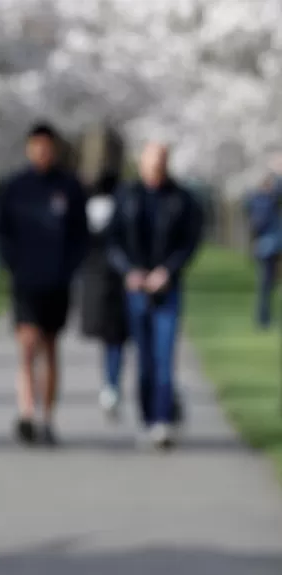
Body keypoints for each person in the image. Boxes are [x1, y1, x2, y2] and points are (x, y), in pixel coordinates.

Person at [0, 122, 89, 446]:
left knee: (49, 348)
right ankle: (26, 413)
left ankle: (47, 417)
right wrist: (12, 265)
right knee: (27, 345)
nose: (42, 152)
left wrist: (68, 269)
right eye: (36, 146)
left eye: (47, 146)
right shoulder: (16, 188)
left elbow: (81, 236)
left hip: (57, 282)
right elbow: (2, 233)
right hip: (26, 281)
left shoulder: (69, 187)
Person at [107, 142, 202, 450]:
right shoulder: (127, 196)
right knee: (144, 360)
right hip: (136, 288)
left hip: (167, 289)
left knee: (164, 357)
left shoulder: (181, 199)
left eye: (161, 160)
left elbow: (189, 241)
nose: (157, 166)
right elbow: (112, 241)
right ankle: (148, 419)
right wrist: (128, 271)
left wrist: (168, 271)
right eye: (152, 160)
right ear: (142, 163)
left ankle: (163, 421)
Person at [78, 171, 128, 419]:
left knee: (109, 340)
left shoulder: (87, 209)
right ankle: (112, 383)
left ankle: (110, 385)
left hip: (96, 280)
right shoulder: (123, 207)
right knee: (117, 339)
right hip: (121, 281)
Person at [245, 172, 282, 329]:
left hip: (266, 245)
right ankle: (263, 318)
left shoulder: (259, 200)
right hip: (269, 246)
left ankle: (264, 317)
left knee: (267, 284)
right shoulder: (265, 202)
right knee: (266, 284)